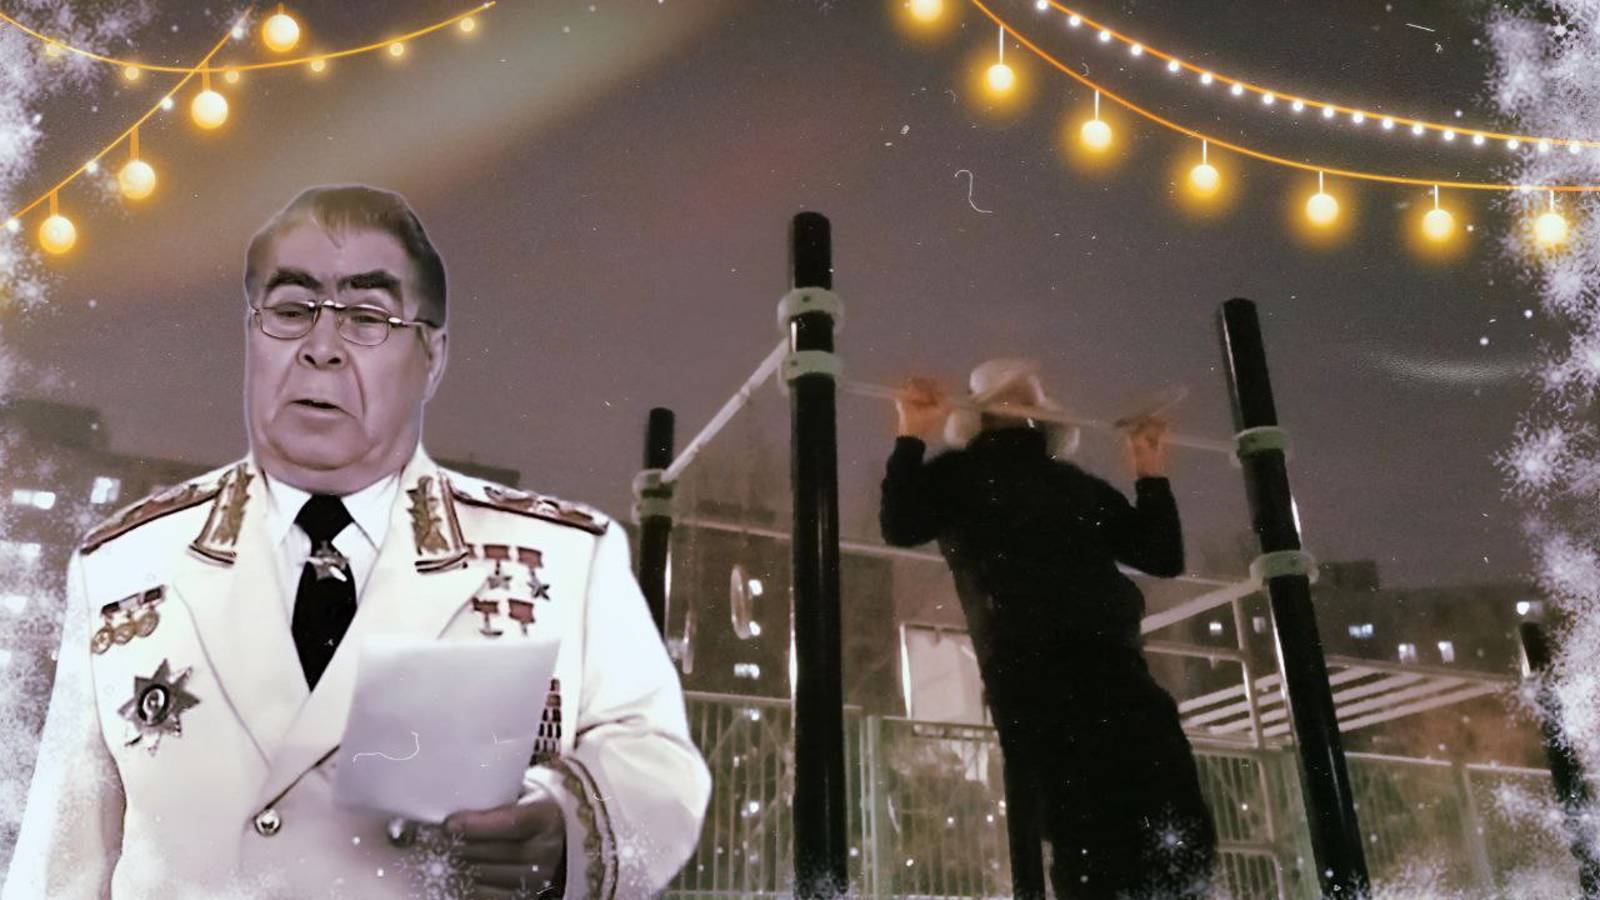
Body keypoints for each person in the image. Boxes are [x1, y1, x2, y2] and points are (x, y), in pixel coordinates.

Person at [4, 185, 710, 899]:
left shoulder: (568, 558)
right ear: (252, 335)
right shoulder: (124, 565)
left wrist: (564, 825)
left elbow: (658, 762)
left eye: (367, 318)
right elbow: (64, 858)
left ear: (432, 355)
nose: (321, 349)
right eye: (291, 310)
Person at [879, 359, 1216, 900]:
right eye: (1011, 395)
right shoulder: (964, 476)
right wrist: (911, 434)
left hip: (1099, 661)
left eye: (1026, 394)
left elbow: (1160, 555)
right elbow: (900, 524)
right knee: (1094, 812)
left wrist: (1149, 470)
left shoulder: (1067, 483)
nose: (1020, 403)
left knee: (1146, 801)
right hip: (1037, 664)